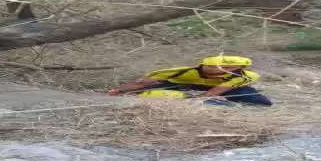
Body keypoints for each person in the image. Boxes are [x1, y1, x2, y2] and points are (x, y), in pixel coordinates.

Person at [107, 56, 272, 106]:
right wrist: (119, 90)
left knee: (261, 101)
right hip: (184, 86)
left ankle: (238, 106)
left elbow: (216, 91)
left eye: (229, 67)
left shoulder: (246, 76)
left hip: (224, 89)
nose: (224, 69)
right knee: (148, 91)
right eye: (220, 66)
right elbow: (141, 83)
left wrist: (201, 98)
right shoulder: (179, 71)